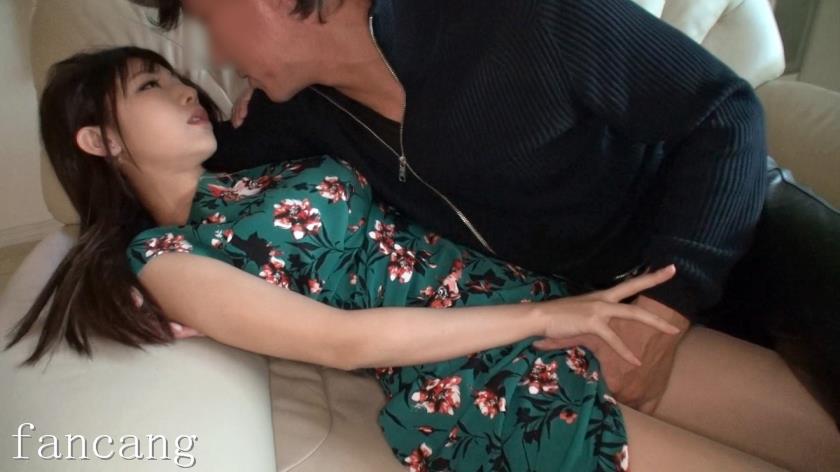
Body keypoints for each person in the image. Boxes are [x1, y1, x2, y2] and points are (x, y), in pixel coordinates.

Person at [5, 46, 838, 471]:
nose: (186, 88)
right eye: (150, 86)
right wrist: (547, 315)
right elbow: (344, 342)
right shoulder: (165, 258)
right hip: (475, 381)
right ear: (98, 139)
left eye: (174, 75)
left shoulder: (261, 154)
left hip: (533, 296)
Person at [135, 0, 770, 418]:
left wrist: (667, 308)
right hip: (589, 315)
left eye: (209, 18)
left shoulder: (514, 16)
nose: (215, 53)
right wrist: (140, 284)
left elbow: (725, 112)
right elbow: (186, 184)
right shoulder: (297, 113)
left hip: (743, 236)